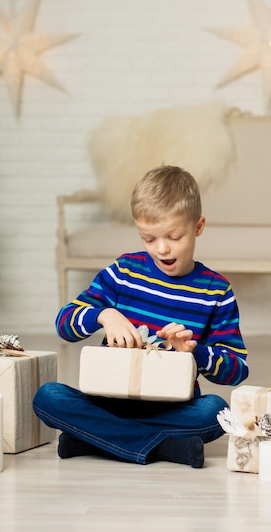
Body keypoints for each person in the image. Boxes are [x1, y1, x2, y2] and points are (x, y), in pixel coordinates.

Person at [33, 165, 248, 468]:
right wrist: (104, 315)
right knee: (47, 396)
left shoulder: (216, 291)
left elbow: (237, 368)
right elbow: (64, 323)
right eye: (148, 238)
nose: (162, 249)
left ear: (198, 226)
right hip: (107, 402)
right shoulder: (124, 272)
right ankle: (165, 447)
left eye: (175, 236)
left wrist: (194, 353)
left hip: (172, 407)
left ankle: (90, 438)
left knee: (215, 411)